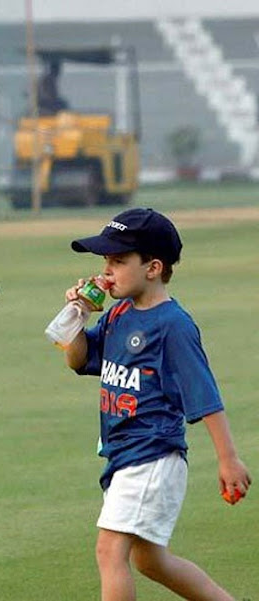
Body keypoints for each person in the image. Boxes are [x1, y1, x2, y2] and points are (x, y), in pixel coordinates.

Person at [59, 208, 251, 601]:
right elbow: (78, 360)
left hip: (152, 455)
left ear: (153, 267)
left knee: (109, 551)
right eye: (104, 261)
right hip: (124, 456)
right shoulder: (119, 314)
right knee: (150, 560)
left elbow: (205, 396)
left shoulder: (173, 326)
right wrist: (76, 315)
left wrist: (228, 459)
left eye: (117, 260)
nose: (106, 270)